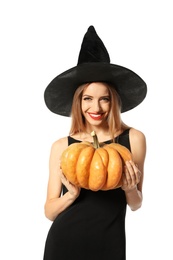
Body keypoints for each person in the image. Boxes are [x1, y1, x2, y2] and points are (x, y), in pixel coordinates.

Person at [43, 26, 147, 260]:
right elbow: (49, 211)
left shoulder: (133, 139)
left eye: (104, 99)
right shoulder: (62, 146)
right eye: (87, 99)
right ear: (78, 102)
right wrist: (70, 195)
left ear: (114, 102)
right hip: (64, 243)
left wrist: (130, 188)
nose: (96, 108)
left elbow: (136, 204)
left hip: (110, 245)